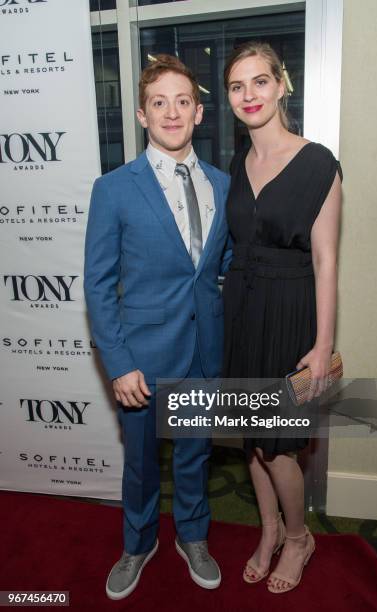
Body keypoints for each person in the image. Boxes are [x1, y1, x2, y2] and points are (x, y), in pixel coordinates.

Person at [84, 54, 232, 600]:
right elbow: (98, 286)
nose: (172, 112)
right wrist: (118, 363)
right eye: (158, 102)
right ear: (143, 115)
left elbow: (224, 262)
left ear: (198, 112)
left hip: (202, 351)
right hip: (141, 359)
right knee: (142, 463)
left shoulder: (222, 182)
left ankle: (192, 535)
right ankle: (138, 543)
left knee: (195, 452)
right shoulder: (114, 187)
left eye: (182, 101)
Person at [222, 41, 342, 594]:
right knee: (252, 439)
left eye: (259, 82)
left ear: (282, 84)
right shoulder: (236, 161)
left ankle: (299, 537)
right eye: (237, 86)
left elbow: (325, 260)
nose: (249, 95)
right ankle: (268, 531)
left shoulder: (318, 163)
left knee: (280, 444)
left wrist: (322, 346)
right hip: (243, 312)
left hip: (290, 312)